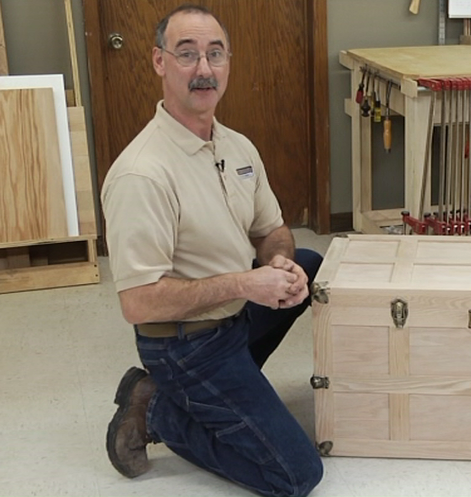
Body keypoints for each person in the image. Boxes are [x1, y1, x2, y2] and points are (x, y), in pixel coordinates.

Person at [100, 4, 324, 496]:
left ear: (227, 64)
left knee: (308, 262)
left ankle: (201, 390)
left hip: (232, 316)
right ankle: (157, 405)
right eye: (187, 55)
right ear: (160, 63)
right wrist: (248, 282)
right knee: (295, 475)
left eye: (214, 54)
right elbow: (137, 302)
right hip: (185, 344)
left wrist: (279, 262)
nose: (204, 69)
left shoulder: (237, 147)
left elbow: (273, 230)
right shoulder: (142, 174)